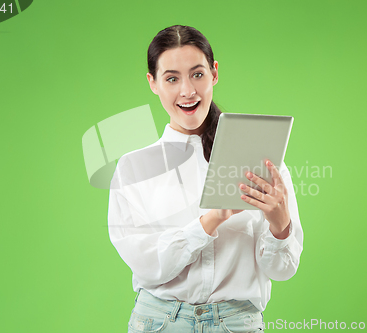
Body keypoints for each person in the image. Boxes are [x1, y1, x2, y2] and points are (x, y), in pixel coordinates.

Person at [108, 25, 303, 332]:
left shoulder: (262, 157)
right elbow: (147, 266)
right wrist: (210, 221)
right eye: (172, 78)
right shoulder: (135, 168)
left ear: (214, 73)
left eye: (197, 74)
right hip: (160, 323)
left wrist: (281, 225)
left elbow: (282, 270)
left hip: (237, 324)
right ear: (153, 83)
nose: (187, 91)